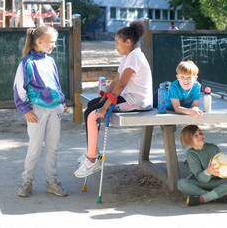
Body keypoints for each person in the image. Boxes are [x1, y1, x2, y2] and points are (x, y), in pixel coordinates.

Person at [74, 20, 153, 178]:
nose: (115, 46)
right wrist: (102, 100)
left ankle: (92, 160)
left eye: (117, 43)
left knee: (93, 114)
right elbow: (115, 82)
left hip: (136, 101)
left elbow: (122, 85)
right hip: (129, 97)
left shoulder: (135, 56)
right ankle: (92, 150)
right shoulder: (127, 56)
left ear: (128, 42)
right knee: (91, 105)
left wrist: (104, 108)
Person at [14, 26, 68, 198]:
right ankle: (27, 181)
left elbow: (55, 83)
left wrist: (62, 101)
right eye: (51, 42)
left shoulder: (50, 61)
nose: (54, 45)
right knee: (35, 147)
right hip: (37, 111)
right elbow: (18, 89)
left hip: (55, 109)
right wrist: (25, 110)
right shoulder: (27, 63)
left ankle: (52, 182)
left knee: (53, 147)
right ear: (39, 42)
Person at [177, 125, 227, 206]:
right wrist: (208, 172)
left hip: (215, 182)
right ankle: (215, 196)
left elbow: (221, 169)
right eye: (195, 135)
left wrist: (225, 171)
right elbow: (200, 178)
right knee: (181, 184)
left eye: (200, 133)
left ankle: (203, 198)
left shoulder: (214, 148)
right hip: (199, 183)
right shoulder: (191, 154)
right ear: (188, 141)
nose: (200, 136)